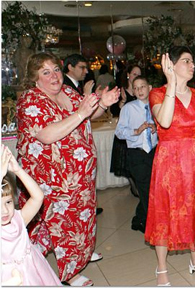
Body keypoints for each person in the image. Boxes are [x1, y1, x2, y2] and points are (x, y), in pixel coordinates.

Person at [16, 52, 120, 286]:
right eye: (45, 72)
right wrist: (81, 112)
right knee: (64, 224)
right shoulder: (30, 100)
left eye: (55, 69)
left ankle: (59, 259)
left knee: (77, 222)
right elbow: (46, 134)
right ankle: (70, 272)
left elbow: (89, 116)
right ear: (35, 78)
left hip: (78, 179)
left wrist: (103, 103)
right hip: (50, 180)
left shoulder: (69, 93)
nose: (54, 76)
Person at [145, 46, 195, 286]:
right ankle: (161, 267)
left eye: (192, 61)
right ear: (171, 65)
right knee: (165, 212)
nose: (192, 65)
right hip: (169, 161)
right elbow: (164, 121)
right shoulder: (157, 93)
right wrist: (171, 87)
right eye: (186, 61)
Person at [1, 145, 62, 286]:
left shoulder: (18, 219)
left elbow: (38, 197)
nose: (4, 211)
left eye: (8, 202)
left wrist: (18, 171)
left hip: (33, 272)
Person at [115, 76, 157, 234]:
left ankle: (139, 218)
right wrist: (136, 131)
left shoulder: (157, 106)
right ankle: (151, 226)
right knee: (145, 189)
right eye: (136, 88)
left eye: (143, 86)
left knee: (153, 188)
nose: (140, 90)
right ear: (132, 90)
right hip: (137, 154)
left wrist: (156, 129)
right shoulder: (128, 108)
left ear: (150, 87)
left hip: (154, 152)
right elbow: (119, 132)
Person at [63, 54, 104, 216]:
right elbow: (74, 113)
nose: (86, 71)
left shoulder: (75, 84)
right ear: (70, 67)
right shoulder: (64, 86)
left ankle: (87, 207)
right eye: (82, 67)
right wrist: (86, 95)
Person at [109, 65, 143, 198]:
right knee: (130, 168)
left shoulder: (142, 90)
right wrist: (122, 102)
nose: (137, 77)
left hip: (140, 136)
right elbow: (114, 112)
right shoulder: (121, 91)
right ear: (128, 75)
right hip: (126, 136)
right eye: (134, 74)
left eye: (139, 74)